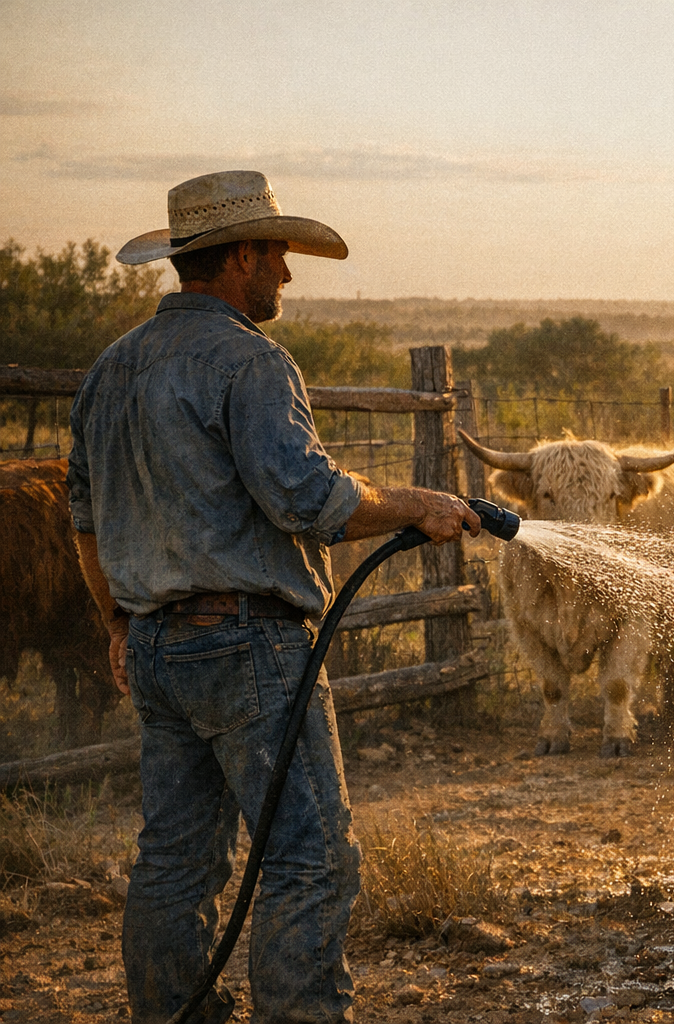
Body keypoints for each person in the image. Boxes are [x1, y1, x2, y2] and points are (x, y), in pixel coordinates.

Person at [68, 169, 480, 1024]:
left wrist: (117, 621)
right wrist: (421, 504)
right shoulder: (250, 361)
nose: (288, 277)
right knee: (309, 857)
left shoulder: (112, 369)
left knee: (174, 864)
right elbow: (308, 498)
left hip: (152, 649)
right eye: (280, 257)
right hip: (248, 646)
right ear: (241, 256)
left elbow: (83, 520)